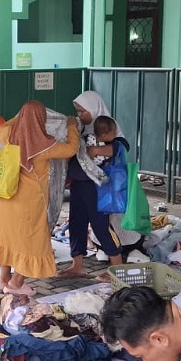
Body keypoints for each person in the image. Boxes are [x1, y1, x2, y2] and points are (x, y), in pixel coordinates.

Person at [0, 101, 79, 294]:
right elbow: (71, 149)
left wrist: (21, 115)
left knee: (9, 238)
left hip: (7, 196)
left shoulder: (7, 134)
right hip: (30, 202)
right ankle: (16, 284)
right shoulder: (45, 144)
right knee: (32, 242)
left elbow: (5, 125)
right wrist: (72, 126)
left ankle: (3, 279)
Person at [59, 91, 128, 279]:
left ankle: (117, 269)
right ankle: (77, 265)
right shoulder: (82, 128)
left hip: (98, 187)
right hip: (79, 185)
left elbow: (120, 147)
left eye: (83, 111)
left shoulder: (107, 126)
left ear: (93, 107)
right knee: (77, 222)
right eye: (78, 111)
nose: (80, 115)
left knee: (100, 225)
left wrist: (96, 149)